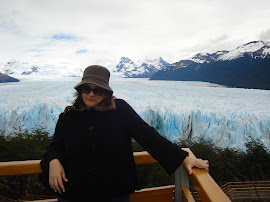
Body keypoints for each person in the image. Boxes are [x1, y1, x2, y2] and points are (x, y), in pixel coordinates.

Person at [40, 65, 209, 202]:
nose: (91, 93)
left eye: (97, 89)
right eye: (86, 88)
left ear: (106, 92)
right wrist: (53, 161)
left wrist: (182, 157)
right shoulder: (68, 117)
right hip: (74, 194)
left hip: (114, 193)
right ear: (80, 90)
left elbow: (148, 136)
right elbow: (55, 146)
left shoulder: (120, 110)